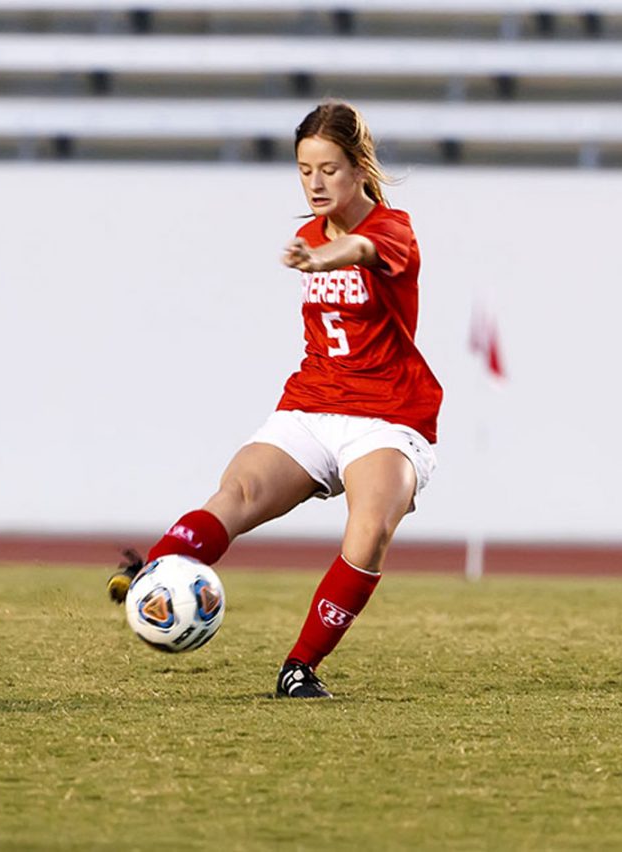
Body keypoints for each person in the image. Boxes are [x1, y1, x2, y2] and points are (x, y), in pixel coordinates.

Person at [108, 101, 443, 699]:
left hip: (387, 415)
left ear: (360, 169)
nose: (315, 183)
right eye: (304, 169)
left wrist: (324, 257)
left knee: (368, 529)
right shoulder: (307, 234)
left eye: (330, 169)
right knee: (235, 494)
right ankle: (150, 576)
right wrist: (314, 251)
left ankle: (300, 667)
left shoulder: (393, 230)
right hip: (312, 404)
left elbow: (362, 252)